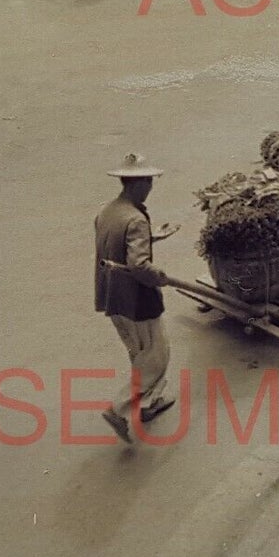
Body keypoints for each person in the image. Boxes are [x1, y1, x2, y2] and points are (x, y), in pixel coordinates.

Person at [95, 152, 177, 443]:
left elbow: (118, 244)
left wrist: (154, 237)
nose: (151, 186)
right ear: (138, 183)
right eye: (149, 181)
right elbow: (139, 265)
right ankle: (118, 409)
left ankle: (149, 404)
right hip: (137, 301)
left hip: (111, 297)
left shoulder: (107, 210)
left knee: (138, 353)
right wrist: (158, 275)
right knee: (157, 355)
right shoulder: (136, 219)